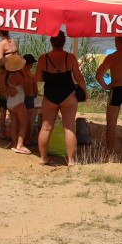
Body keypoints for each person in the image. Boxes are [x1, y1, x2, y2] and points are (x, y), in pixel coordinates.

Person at [36, 31, 85, 166]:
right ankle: (71, 161)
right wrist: (84, 91)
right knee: (69, 127)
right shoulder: (70, 57)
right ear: (64, 41)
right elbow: (78, 76)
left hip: (50, 94)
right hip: (68, 95)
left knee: (46, 128)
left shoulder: (43, 58)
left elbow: (39, 78)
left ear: (51, 42)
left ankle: (43, 158)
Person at [2, 55, 31, 155]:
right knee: (24, 124)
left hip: (10, 102)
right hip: (18, 102)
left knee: (14, 123)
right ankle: (20, 145)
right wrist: (24, 73)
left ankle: (15, 144)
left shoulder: (8, 76)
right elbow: (27, 85)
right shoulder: (18, 76)